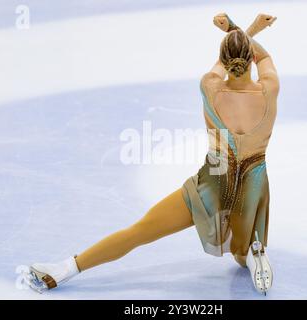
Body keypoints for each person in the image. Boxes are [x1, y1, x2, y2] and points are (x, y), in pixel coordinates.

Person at [25, 13, 279, 296]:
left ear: (223, 57)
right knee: (241, 257)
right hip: (252, 185)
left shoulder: (209, 86)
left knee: (140, 232)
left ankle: (64, 269)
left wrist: (237, 30)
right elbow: (260, 57)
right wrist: (245, 30)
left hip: (213, 184)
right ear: (249, 61)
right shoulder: (270, 89)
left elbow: (227, 58)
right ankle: (254, 251)